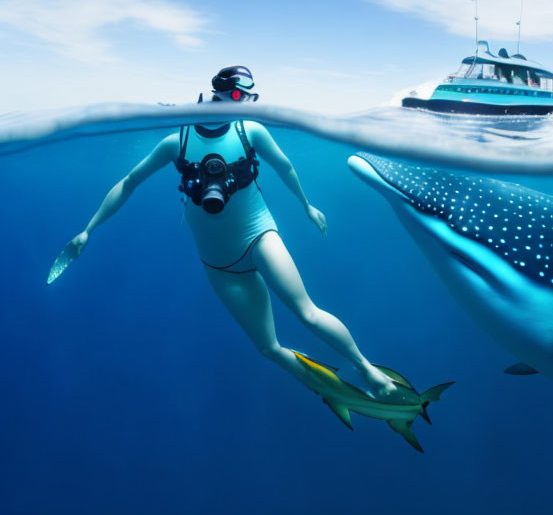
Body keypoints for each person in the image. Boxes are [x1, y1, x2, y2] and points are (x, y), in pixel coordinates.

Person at [57, 66, 398, 398]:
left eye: (250, 97)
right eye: (238, 95)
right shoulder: (176, 141)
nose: (244, 103)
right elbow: (129, 182)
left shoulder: (250, 131)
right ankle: (335, 392)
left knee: (306, 311)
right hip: (219, 264)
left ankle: (368, 370)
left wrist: (307, 206)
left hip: (258, 235)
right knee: (268, 347)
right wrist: (88, 229)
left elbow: (284, 166)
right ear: (217, 92)